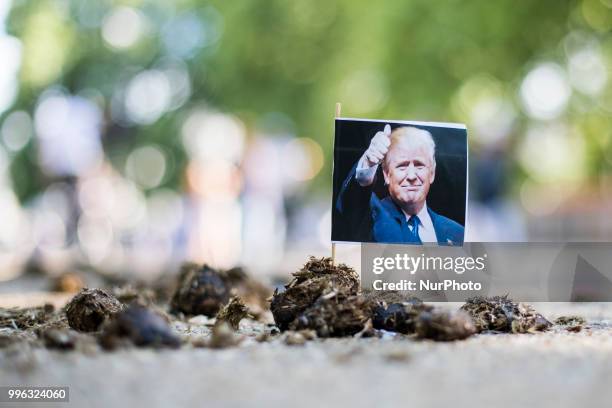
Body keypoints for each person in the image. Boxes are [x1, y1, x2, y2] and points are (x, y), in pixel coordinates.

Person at [335, 125, 464, 245]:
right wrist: (367, 165)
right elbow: (352, 203)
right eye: (402, 166)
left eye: (419, 165)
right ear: (386, 174)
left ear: (432, 173)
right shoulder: (371, 217)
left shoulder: (457, 232)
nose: (412, 176)